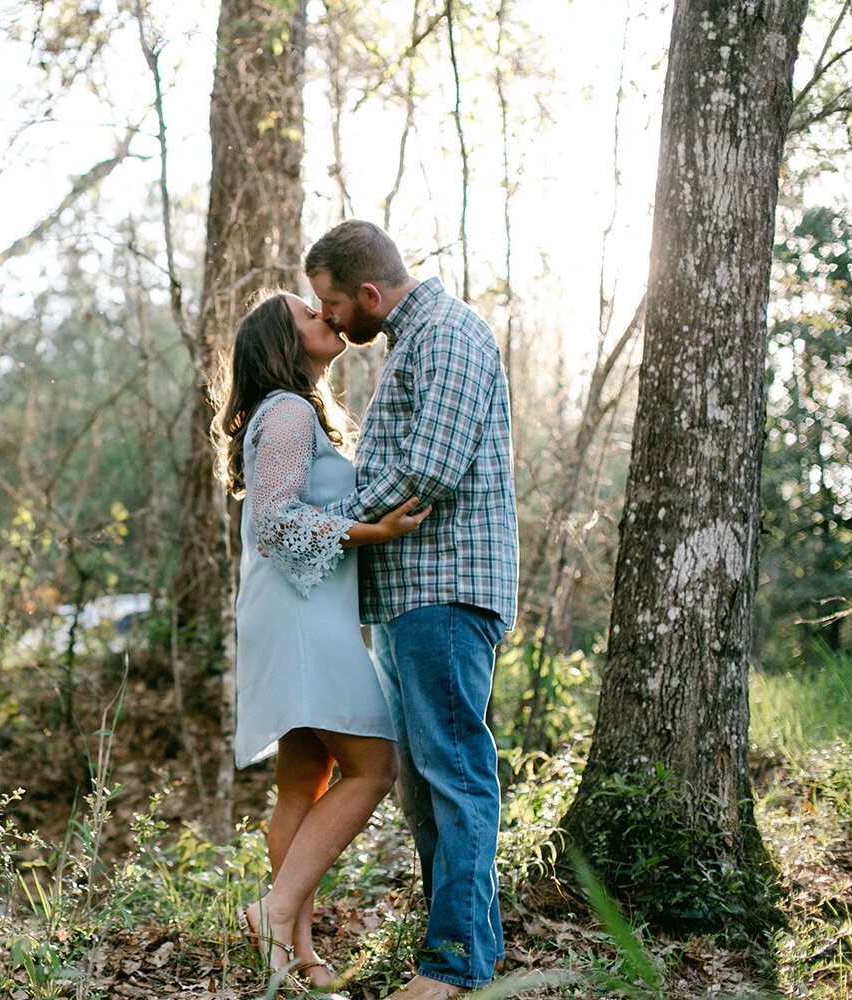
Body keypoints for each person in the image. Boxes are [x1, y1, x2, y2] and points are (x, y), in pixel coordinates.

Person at [304, 220, 519, 1000]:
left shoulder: (451, 333)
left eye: (331, 304)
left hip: (448, 590)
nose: (329, 320)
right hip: (409, 595)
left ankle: (451, 966)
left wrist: (326, 525)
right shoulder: (410, 341)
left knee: (455, 774)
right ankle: (471, 953)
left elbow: (434, 466)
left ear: (368, 292)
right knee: (424, 784)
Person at [214, 289, 430, 995]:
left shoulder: (294, 414)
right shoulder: (284, 411)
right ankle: (276, 914)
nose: (325, 315)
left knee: (300, 786)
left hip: (304, 611)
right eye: (309, 313)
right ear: (283, 342)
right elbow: (277, 524)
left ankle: (295, 954)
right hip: (300, 615)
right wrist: (378, 531)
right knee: (373, 767)